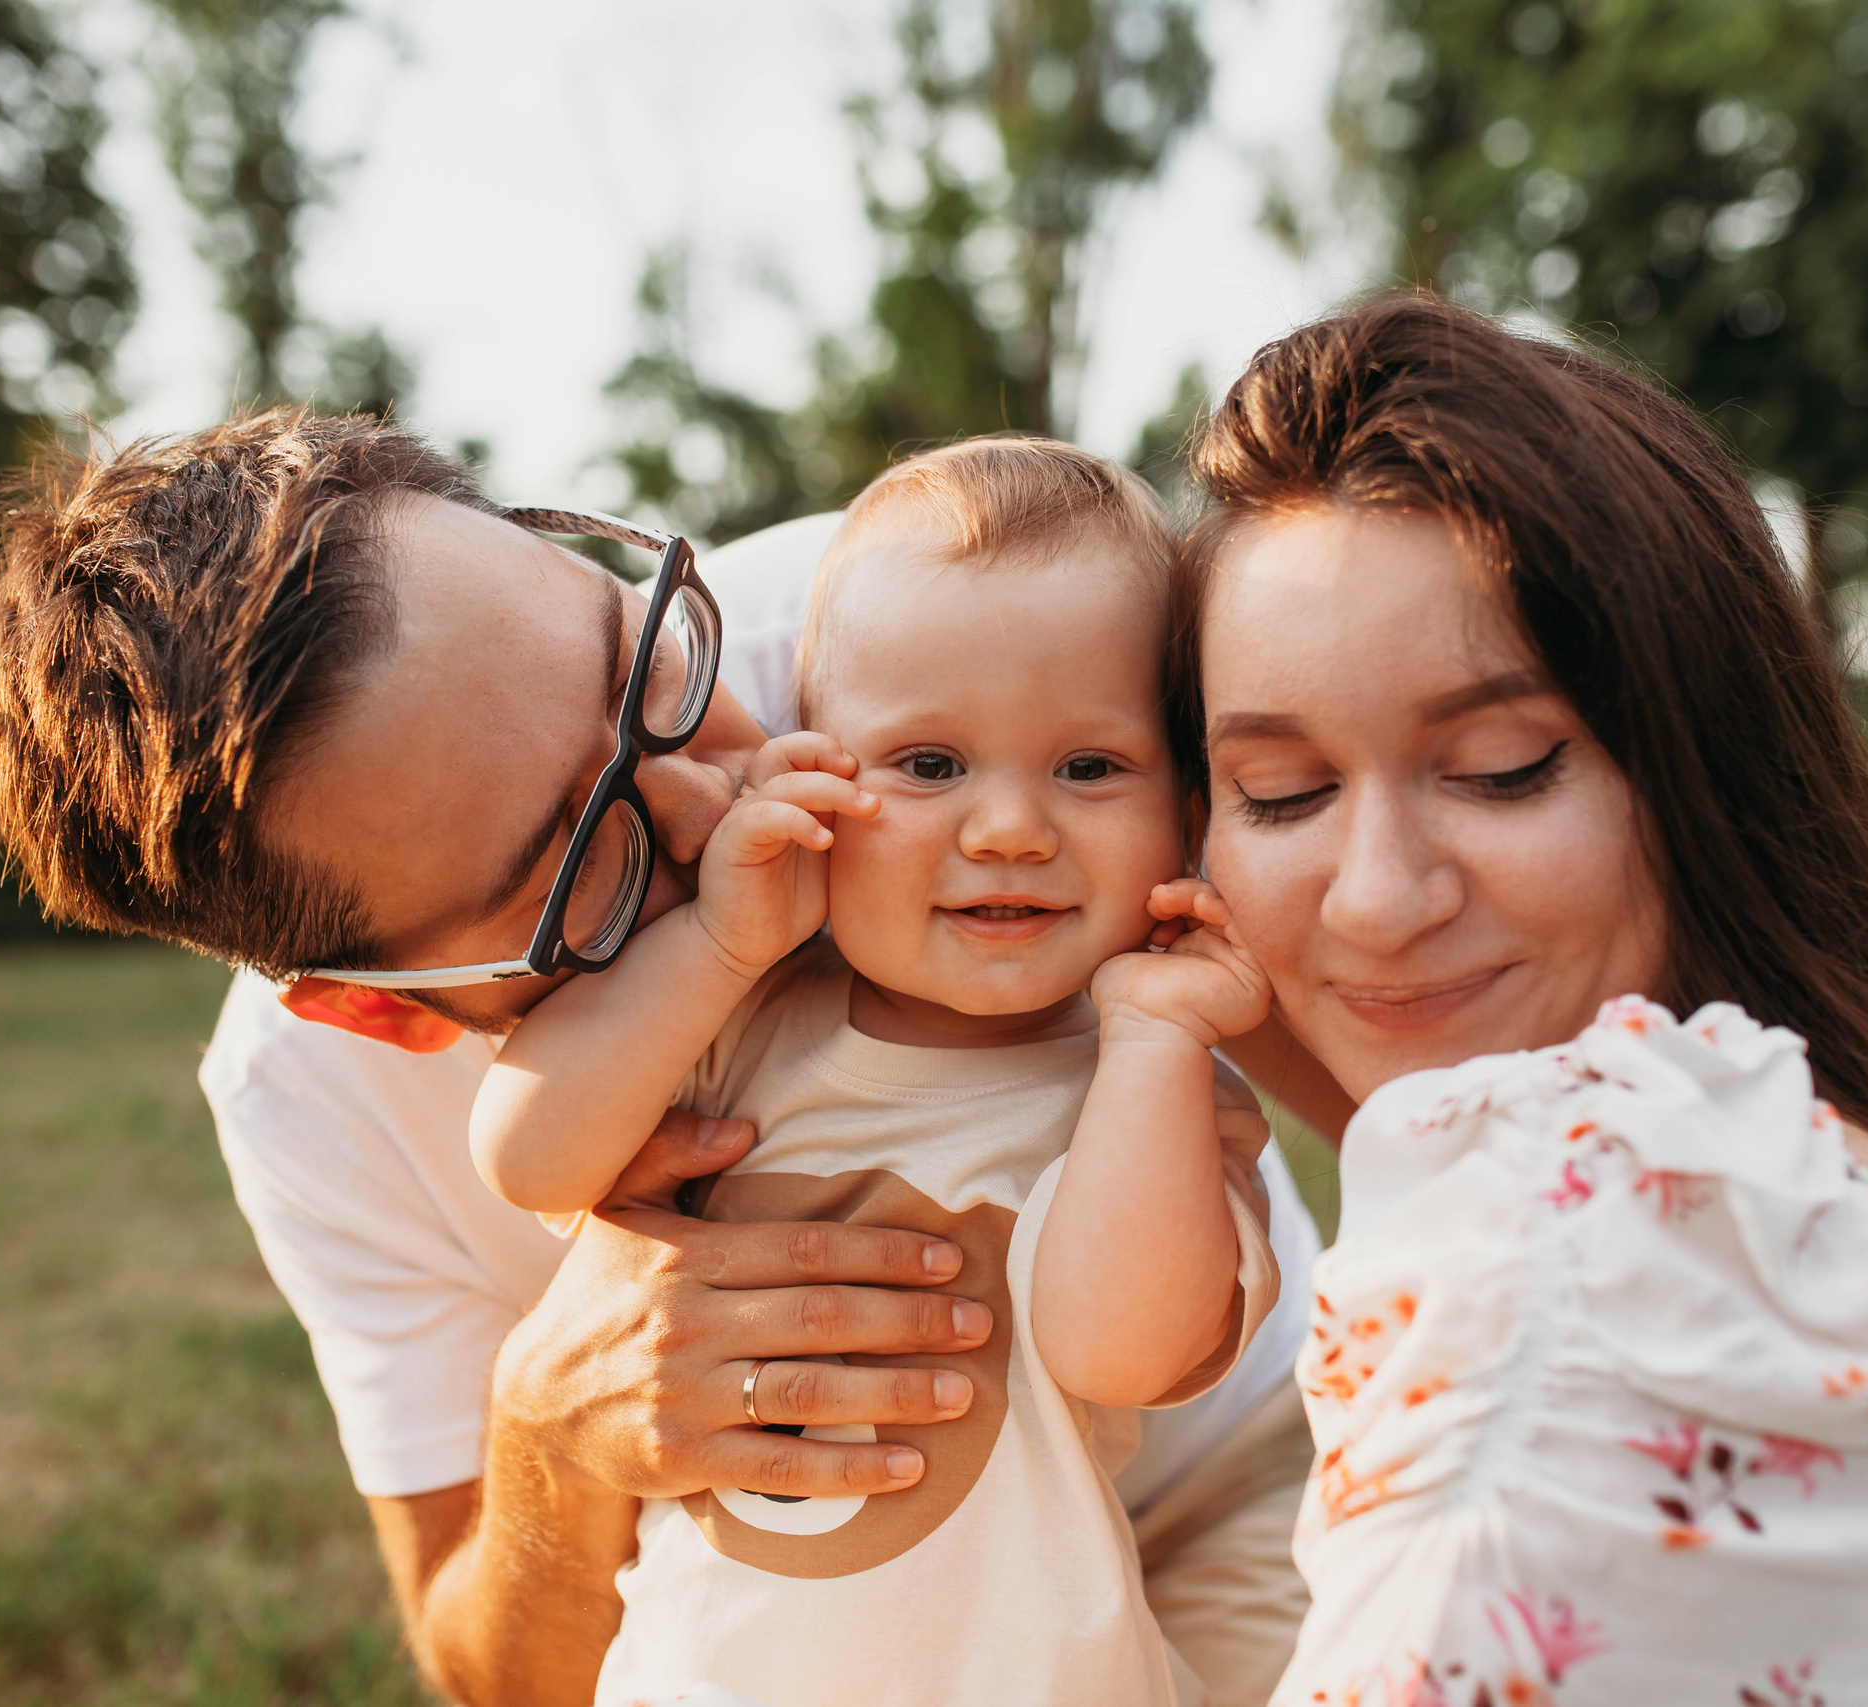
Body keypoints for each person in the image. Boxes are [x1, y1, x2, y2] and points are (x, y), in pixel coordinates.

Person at [0, 412, 1331, 1705]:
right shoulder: (318, 1110)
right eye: (585, 857)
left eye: (638, 665)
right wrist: (549, 1434)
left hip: (1230, 1482)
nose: (706, 782)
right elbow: (490, 1669)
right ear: (388, 1011)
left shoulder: (915, 624)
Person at [1164, 292, 1868, 1704]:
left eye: (1504, 767)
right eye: (1282, 793)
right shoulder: (1779, 1148)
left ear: (1701, 767)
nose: (1377, 896)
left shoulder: (1596, 1260)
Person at [470, 439, 1283, 1704]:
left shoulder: (1159, 1094)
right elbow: (527, 1157)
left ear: (1186, 808)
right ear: (816, 773)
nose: (1008, 828)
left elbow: (1116, 1353)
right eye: (928, 765)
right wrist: (723, 940)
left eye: (1088, 767)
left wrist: (1160, 1041)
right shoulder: (745, 1019)